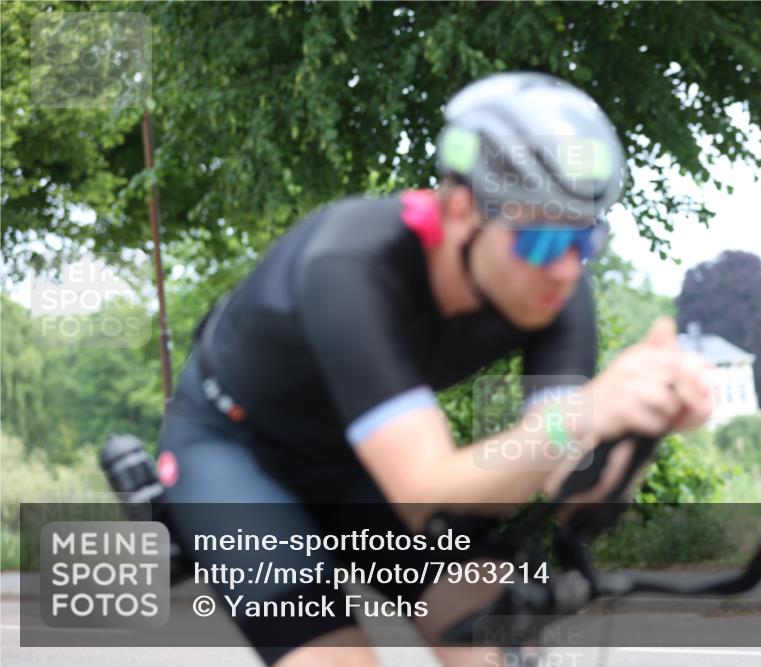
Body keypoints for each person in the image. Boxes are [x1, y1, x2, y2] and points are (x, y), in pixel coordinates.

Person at [157, 72, 715, 667]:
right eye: (538, 240)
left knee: (491, 642)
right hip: (237, 455)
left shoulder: (555, 290)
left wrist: (635, 429)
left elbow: (553, 469)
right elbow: (423, 489)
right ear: (460, 209)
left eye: (583, 239)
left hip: (359, 470)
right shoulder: (351, 264)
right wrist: (583, 415)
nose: (563, 269)